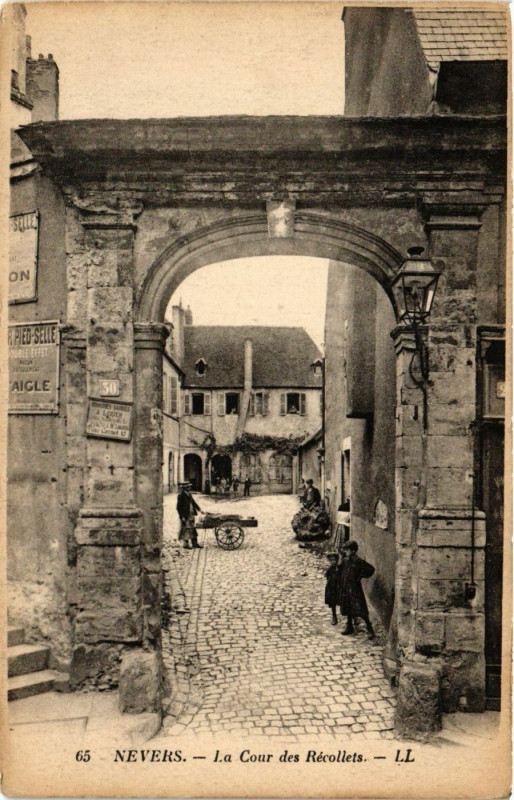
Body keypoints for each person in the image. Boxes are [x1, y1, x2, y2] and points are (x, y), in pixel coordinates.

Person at [339, 540, 375, 639]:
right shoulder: (345, 561)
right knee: (347, 607)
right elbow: (340, 570)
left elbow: (371, 569)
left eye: (347, 550)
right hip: (346, 588)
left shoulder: (358, 561)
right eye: (345, 550)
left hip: (355, 589)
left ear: (353, 551)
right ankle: (349, 626)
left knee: (361, 609)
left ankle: (369, 628)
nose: (345, 551)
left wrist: (360, 576)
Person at [176, 481, 203, 550]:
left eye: (189, 487)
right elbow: (178, 508)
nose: (189, 488)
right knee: (186, 529)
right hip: (186, 516)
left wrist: (199, 509)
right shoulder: (181, 496)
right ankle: (185, 544)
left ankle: (195, 543)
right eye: (188, 487)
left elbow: (194, 503)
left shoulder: (189, 495)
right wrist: (182, 516)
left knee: (193, 528)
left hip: (191, 514)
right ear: (184, 488)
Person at [324, 551, 341, 625]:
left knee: (344, 602)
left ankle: (352, 618)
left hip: (339, 588)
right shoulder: (330, 569)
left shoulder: (340, 568)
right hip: (332, 588)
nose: (332, 562)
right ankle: (334, 616)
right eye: (330, 560)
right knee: (333, 602)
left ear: (337, 560)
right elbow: (327, 576)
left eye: (334, 560)